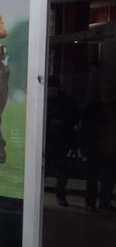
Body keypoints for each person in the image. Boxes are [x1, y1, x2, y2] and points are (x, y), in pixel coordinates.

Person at [45, 76, 80, 206]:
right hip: (45, 142)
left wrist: (63, 123)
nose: (52, 89)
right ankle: (36, 195)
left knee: (62, 171)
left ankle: (61, 195)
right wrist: (49, 124)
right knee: (41, 169)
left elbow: (75, 117)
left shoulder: (67, 100)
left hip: (62, 141)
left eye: (54, 86)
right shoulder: (42, 99)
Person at [83, 78, 116, 212]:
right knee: (92, 178)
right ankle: (90, 202)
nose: (105, 93)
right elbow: (85, 129)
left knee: (109, 179)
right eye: (103, 90)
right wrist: (83, 147)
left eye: (107, 90)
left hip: (112, 149)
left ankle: (104, 202)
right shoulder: (93, 107)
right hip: (95, 149)